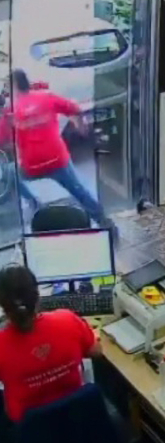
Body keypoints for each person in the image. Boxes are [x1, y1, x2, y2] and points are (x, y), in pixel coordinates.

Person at [0, 69, 114, 231]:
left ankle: (34, 203)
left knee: (10, 172)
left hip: (32, 167)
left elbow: (2, 139)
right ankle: (104, 221)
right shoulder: (46, 97)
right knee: (79, 190)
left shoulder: (11, 111)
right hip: (57, 161)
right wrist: (80, 125)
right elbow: (74, 108)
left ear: (14, 86)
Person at [0, 265, 102, 424]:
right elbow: (96, 351)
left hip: (31, 434)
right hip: (77, 424)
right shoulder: (68, 320)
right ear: (37, 295)